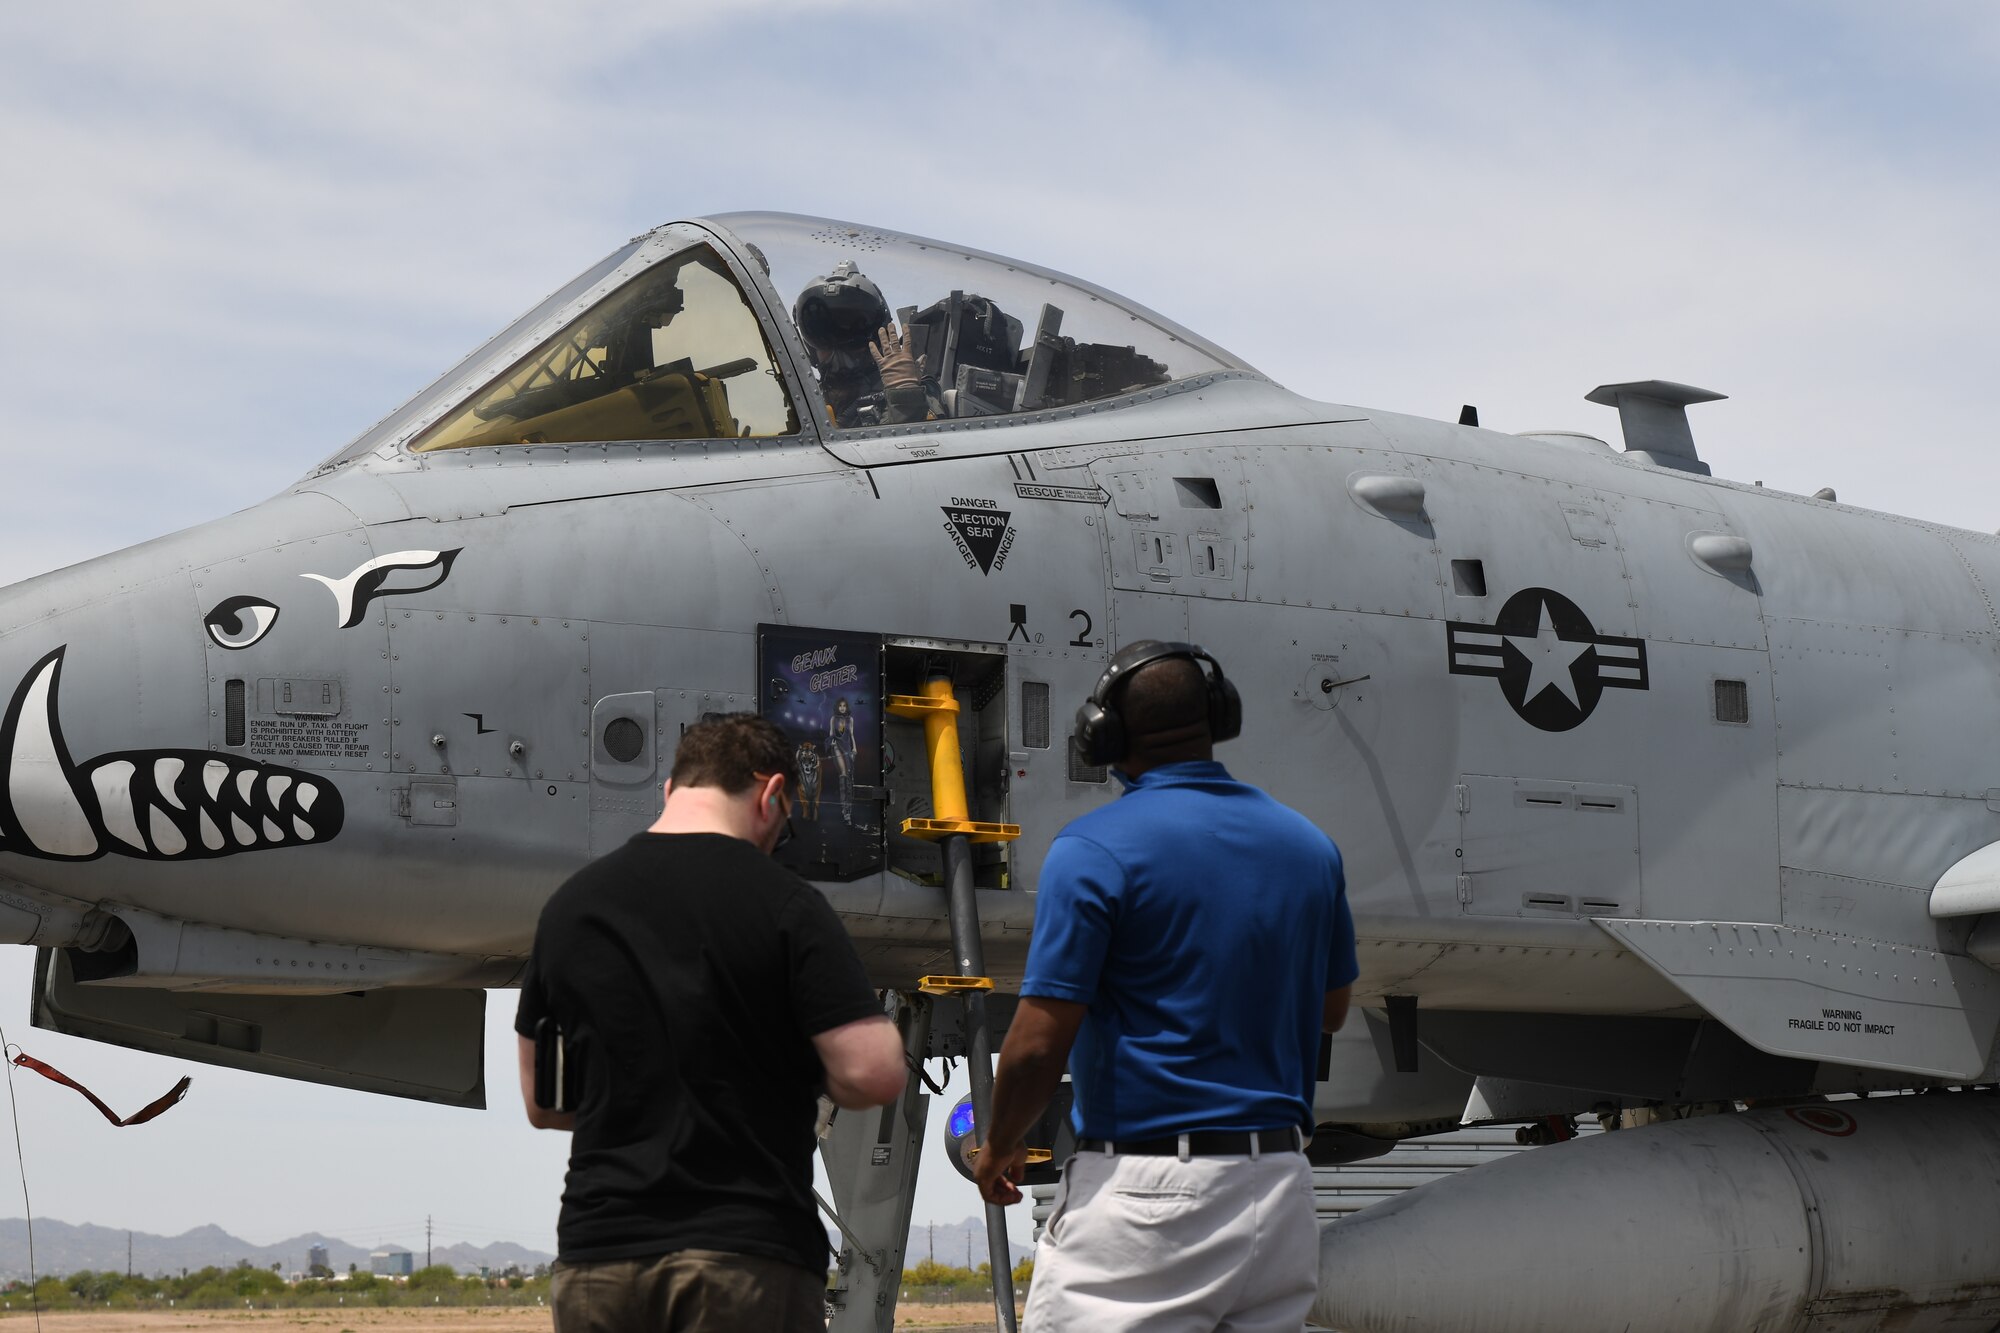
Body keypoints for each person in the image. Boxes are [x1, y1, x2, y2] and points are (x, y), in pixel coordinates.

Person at [973, 641, 1358, 1332]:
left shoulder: (1093, 850)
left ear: (1106, 735)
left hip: (1152, 1196)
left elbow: (1036, 1046)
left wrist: (1000, 1144)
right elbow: (1330, 1011)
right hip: (1278, 1189)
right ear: (1218, 717)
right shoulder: (1311, 847)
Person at [516, 713, 906, 1333]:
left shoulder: (571, 909)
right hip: (742, 1255)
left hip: (601, 1255)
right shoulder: (786, 905)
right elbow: (874, 1073)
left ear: (670, 791)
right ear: (773, 794)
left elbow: (544, 1103)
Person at [792, 261, 938, 427]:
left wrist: (905, 399)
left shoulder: (913, 392)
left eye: (854, 337)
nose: (839, 352)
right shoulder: (803, 400)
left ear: (877, 339)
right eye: (824, 338)